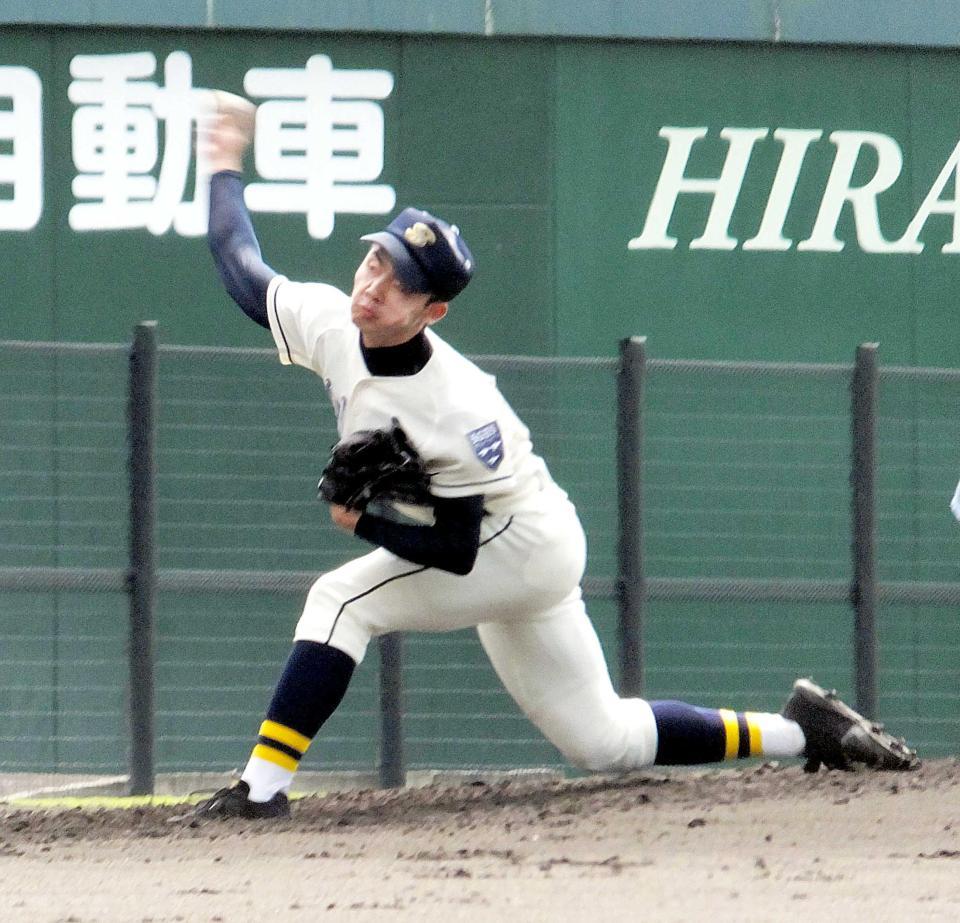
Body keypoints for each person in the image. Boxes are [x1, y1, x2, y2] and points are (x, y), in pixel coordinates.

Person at [188, 99, 917, 821]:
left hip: (517, 542)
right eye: (377, 258)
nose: (374, 283)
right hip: (509, 543)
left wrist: (364, 522)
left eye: (402, 280)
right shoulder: (330, 320)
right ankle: (805, 730)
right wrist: (222, 161)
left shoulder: (460, 406)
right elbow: (238, 260)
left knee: (342, 600)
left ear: (431, 310)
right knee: (604, 739)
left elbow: (455, 548)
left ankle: (259, 789)